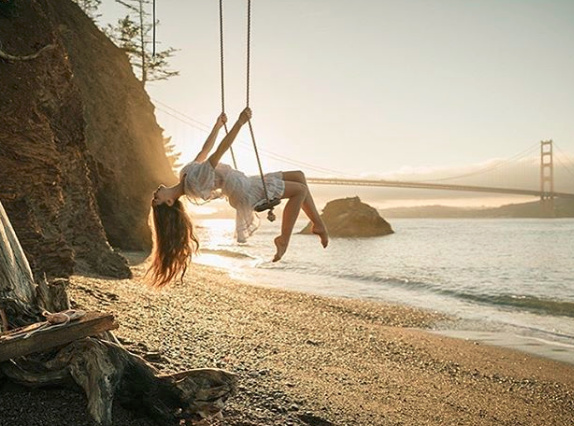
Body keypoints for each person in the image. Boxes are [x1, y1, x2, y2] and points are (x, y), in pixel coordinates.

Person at [148, 107, 328, 288]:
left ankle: (318, 224)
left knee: (298, 176)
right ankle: (283, 239)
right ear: (169, 202)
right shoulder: (194, 184)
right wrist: (239, 123)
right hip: (246, 192)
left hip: (246, 182)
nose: (154, 195)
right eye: (156, 200)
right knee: (300, 191)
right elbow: (219, 151)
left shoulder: (185, 175)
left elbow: (205, 150)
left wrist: (217, 126)